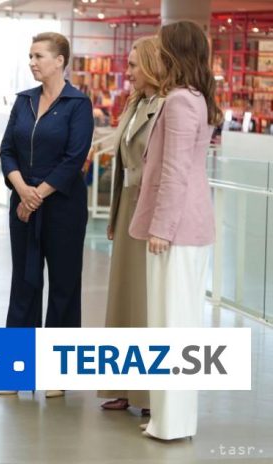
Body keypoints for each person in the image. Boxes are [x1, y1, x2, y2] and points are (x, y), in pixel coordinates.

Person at [129, 21, 221, 441]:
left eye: (163, 47)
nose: (158, 53)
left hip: (178, 229)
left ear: (175, 53)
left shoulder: (182, 101)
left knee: (173, 326)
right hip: (184, 226)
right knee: (171, 325)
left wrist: (162, 228)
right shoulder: (192, 97)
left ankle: (173, 422)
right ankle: (167, 419)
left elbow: (175, 171)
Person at [0, 32, 93, 398]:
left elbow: (74, 158)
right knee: (24, 283)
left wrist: (37, 194)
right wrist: (22, 189)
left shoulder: (78, 104)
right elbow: (7, 150)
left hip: (63, 207)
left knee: (64, 286)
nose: (32, 62)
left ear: (60, 60)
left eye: (39, 56)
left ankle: (58, 372)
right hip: (23, 205)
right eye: (31, 56)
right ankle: (15, 370)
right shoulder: (23, 101)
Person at [98, 37, 164, 414]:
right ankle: (122, 386)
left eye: (135, 64)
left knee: (144, 301)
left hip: (149, 211)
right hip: (128, 209)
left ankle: (148, 394)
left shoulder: (166, 106)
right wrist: (114, 215)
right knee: (122, 297)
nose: (129, 71)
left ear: (154, 65)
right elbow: (123, 167)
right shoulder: (135, 105)